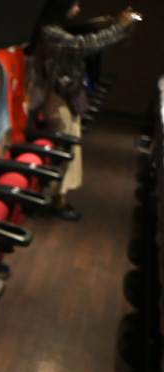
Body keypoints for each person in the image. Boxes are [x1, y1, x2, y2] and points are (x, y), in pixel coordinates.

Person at [29, 0, 140, 220]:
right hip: (57, 98)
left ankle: (58, 198)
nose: (78, 9)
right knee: (64, 151)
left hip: (66, 97)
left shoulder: (57, 30)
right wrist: (118, 28)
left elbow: (90, 43)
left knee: (69, 151)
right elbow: (83, 46)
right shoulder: (50, 33)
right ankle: (54, 200)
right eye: (74, 4)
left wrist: (121, 30)